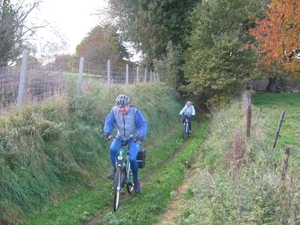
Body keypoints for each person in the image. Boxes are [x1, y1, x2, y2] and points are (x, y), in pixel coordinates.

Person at [102, 94, 148, 193]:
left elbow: (142, 124)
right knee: (112, 150)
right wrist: (106, 132)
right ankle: (116, 171)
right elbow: (109, 122)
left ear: (128, 105)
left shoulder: (135, 111)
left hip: (134, 137)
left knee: (132, 158)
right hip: (121, 136)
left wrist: (141, 135)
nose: (121, 109)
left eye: (124, 107)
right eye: (120, 107)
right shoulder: (114, 111)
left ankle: (136, 180)